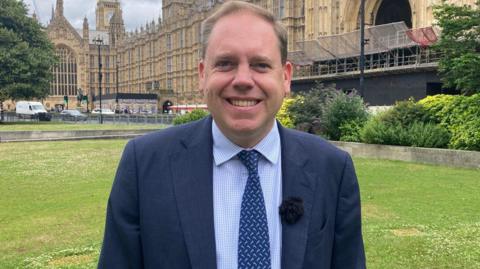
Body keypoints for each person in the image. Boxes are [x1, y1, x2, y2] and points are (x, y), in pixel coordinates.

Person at [98, 1, 365, 268]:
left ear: (285, 78)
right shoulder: (143, 165)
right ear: (202, 75)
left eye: (261, 65)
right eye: (225, 63)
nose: (243, 80)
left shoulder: (332, 169)